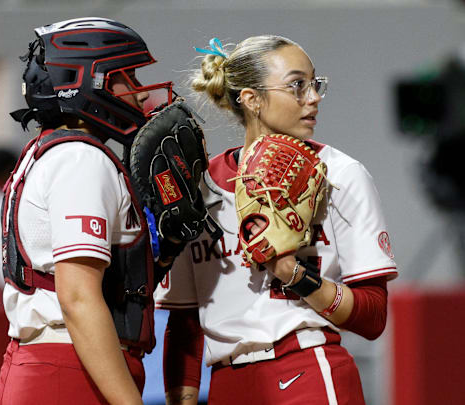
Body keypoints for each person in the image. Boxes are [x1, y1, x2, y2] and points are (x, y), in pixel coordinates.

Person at [155, 36, 398, 405]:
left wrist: (293, 273)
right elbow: (186, 323)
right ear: (251, 99)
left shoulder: (340, 173)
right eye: (297, 85)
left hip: (305, 368)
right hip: (225, 383)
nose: (313, 97)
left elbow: (373, 317)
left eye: (315, 85)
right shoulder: (199, 188)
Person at [0, 17, 176, 405]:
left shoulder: (55, 149)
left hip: (59, 361)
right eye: (130, 77)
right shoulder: (80, 158)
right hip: (70, 366)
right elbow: (77, 298)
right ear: (92, 80)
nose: (142, 94)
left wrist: (168, 247)